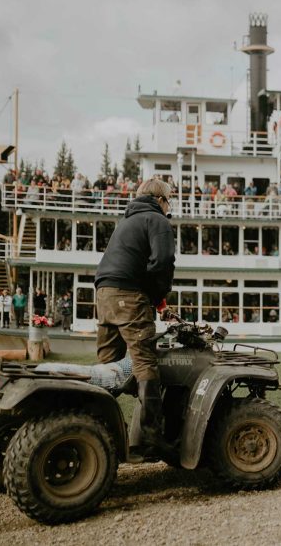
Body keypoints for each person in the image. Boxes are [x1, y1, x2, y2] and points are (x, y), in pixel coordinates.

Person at [94, 178, 176, 457]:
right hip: (128, 295)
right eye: (169, 200)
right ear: (161, 200)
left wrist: (159, 302)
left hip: (104, 294)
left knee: (108, 367)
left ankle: (98, 431)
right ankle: (152, 440)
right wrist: (159, 296)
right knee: (145, 363)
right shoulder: (158, 220)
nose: (169, 206)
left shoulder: (127, 222)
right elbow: (162, 263)